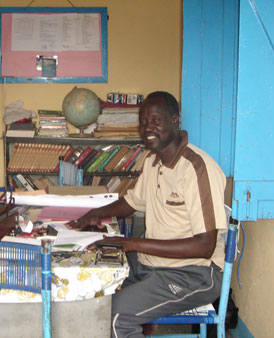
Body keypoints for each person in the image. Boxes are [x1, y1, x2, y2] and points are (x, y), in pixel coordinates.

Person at [66, 91, 227, 338]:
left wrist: (133, 243)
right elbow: (132, 202)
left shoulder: (196, 169)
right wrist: (94, 214)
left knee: (116, 317)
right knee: (92, 283)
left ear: (175, 120)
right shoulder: (153, 162)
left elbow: (205, 246)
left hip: (194, 273)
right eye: (143, 122)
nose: (147, 128)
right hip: (150, 264)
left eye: (155, 120)